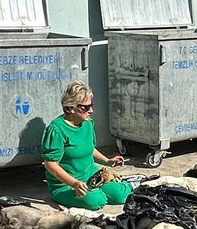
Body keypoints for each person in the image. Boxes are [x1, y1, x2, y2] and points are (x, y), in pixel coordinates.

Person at [41, 81, 131, 209]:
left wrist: (108, 161)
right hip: (66, 185)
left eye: (91, 106)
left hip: (91, 176)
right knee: (96, 200)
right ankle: (92, 193)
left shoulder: (88, 123)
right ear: (71, 108)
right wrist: (74, 183)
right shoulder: (56, 130)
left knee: (121, 195)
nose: (91, 110)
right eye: (86, 107)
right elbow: (50, 164)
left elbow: (89, 149)